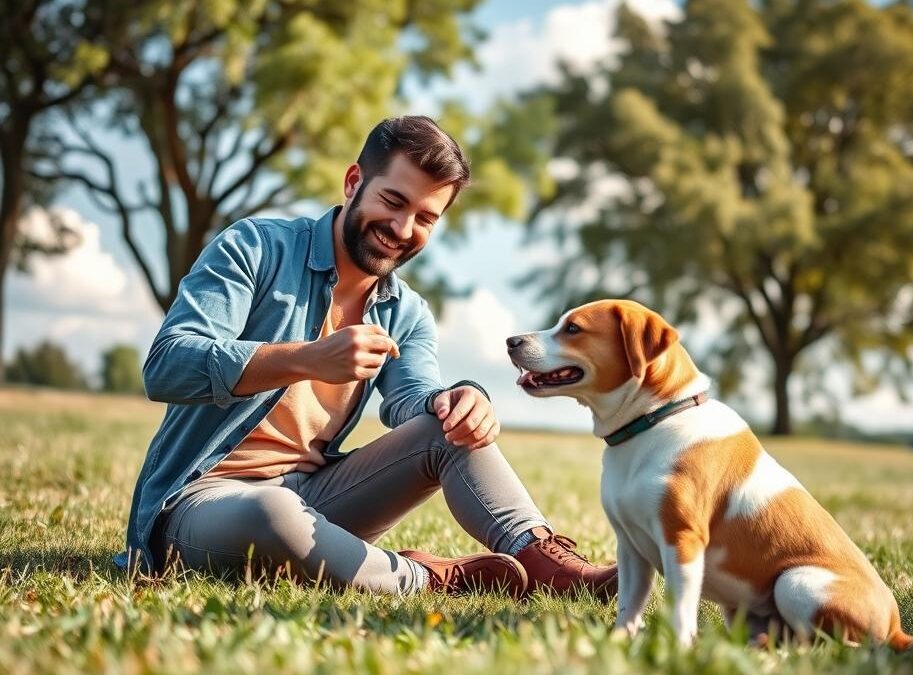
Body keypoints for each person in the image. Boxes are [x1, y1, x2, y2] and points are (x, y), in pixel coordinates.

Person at [115, 115, 617, 598]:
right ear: (354, 181)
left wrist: (462, 401)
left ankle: (546, 563)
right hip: (202, 502)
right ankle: (423, 578)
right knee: (270, 512)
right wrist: (307, 358)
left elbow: (412, 401)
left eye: (425, 218)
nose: (402, 228)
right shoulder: (254, 248)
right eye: (393, 201)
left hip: (317, 497)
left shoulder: (407, 312)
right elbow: (167, 365)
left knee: (450, 425)